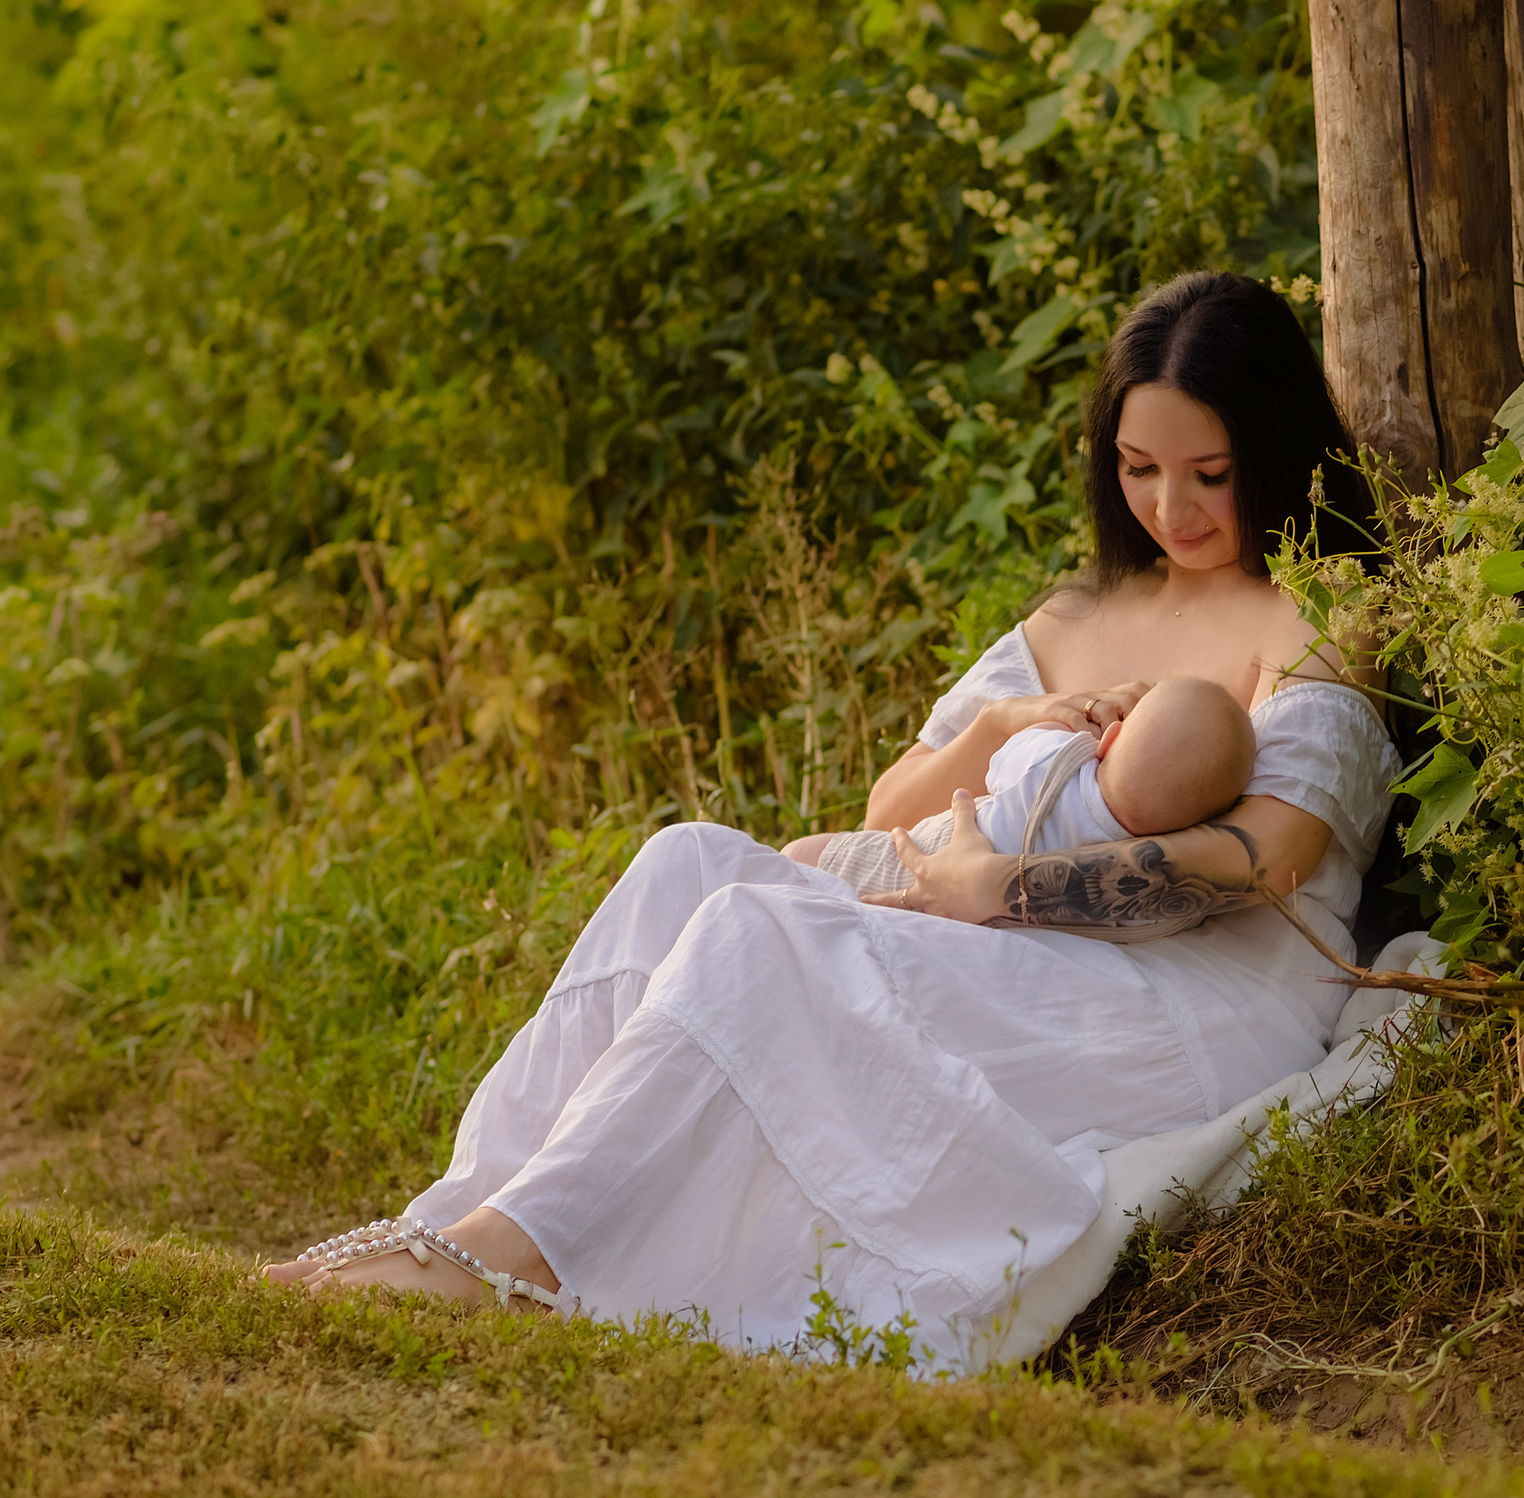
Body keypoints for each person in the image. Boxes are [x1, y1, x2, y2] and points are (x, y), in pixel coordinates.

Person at [266, 271, 1400, 1365]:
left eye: (1210, 474)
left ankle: (515, 1261)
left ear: (1273, 450)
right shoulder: (1079, 613)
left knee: (758, 931)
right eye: (1139, 468)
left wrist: (997, 889)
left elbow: (1268, 858)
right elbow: (892, 807)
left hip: (1196, 995)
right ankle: (471, 1215)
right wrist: (1005, 721)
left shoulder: (1317, 608)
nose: (1170, 508)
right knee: (685, 865)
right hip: (1022, 943)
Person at [785, 674, 1256, 909]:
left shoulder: (1051, 763)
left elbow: (999, 767)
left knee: (799, 857)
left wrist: (1065, 730)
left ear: (1112, 737)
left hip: (931, 853)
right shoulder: (1147, 855)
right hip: (1000, 919)